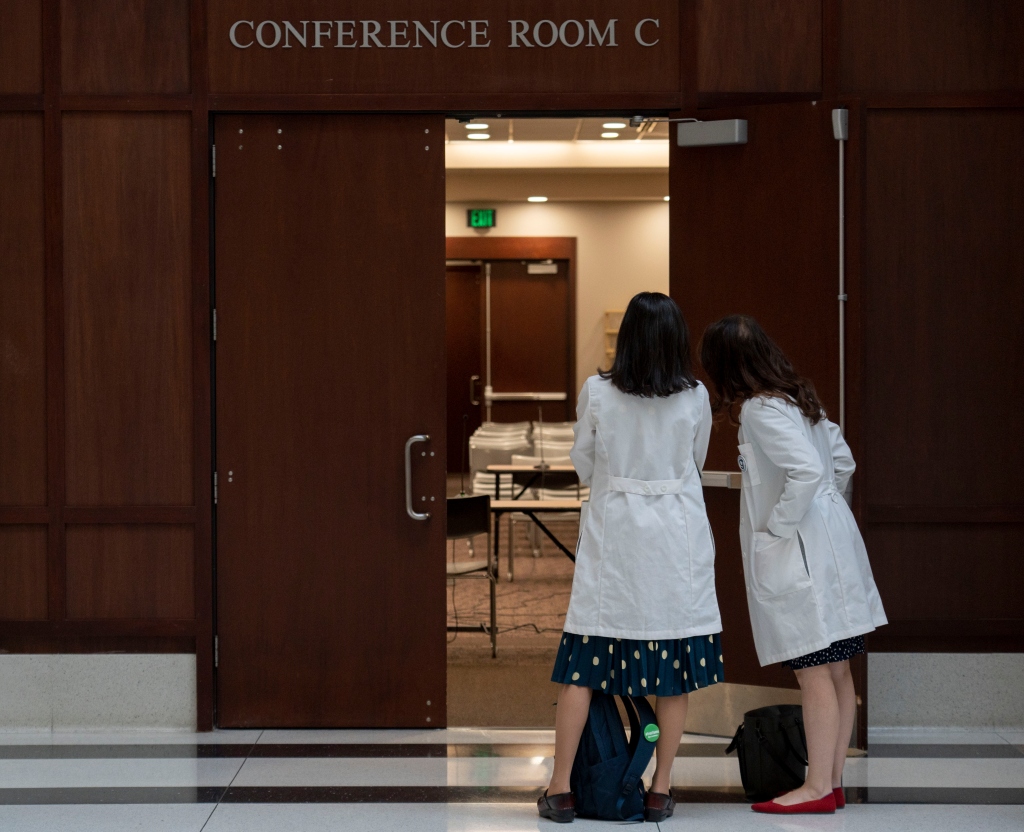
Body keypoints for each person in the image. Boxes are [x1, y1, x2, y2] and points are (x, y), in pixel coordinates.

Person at [538, 292, 723, 824]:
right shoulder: (695, 397)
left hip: (615, 540)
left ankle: (560, 789)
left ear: (627, 340)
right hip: (675, 544)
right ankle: (660, 790)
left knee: (583, 665)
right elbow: (697, 460)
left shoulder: (597, 392)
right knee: (672, 674)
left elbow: (583, 463)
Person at [699, 315, 887, 815]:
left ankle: (816, 787)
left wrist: (779, 527)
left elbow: (804, 472)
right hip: (832, 542)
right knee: (839, 667)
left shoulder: (760, 410)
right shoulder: (802, 398)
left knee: (813, 671)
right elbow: (839, 464)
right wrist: (824, 512)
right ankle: (833, 779)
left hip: (801, 546)